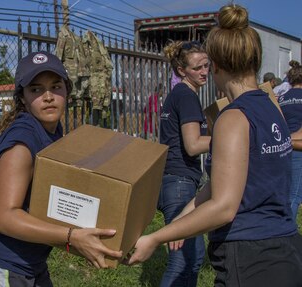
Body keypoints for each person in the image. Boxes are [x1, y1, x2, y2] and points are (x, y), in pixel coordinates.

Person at [126, 4, 302, 286]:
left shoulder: (233, 118)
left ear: (216, 65)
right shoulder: (273, 108)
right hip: (286, 247)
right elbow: (218, 186)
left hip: (249, 256)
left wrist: (156, 237)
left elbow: (224, 206)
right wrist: (179, 224)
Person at [0, 51, 122, 286]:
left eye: (56, 86)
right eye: (36, 89)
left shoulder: (52, 132)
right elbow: (5, 218)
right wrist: (72, 238)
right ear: (23, 98)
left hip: (30, 264)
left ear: (67, 90)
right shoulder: (22, 141)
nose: (48, 96)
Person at [153, 40, 211, 287]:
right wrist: (230, 137)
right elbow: (193, 145)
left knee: (193, 257)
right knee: (183, 260)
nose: (204, 72)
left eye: (207, 66)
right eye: (198, 67)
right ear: (181, 70)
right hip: (179, 184)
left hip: (174, 181)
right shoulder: (187, 96)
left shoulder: (177, 94)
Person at [278, 62, 302, 219]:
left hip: (283, 148)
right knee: (295, 195)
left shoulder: (280, 98)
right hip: (299, 149)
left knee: (285, 192)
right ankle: (288, 228)